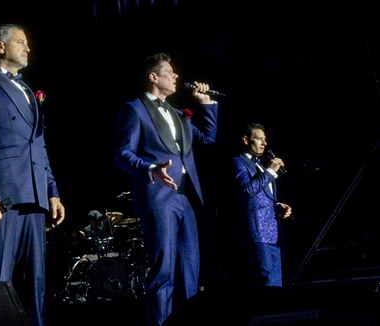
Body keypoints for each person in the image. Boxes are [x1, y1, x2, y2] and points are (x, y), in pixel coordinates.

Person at [0, 23, 65, 326]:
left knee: (36, 284)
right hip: (3, 198)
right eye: (21, 42)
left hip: (35, 197)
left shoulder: (29, 91)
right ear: (0, 46)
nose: (27, 48)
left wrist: (52, 191)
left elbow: (39, 145)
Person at [114, 52, 218, 326]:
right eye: (169, 72)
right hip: (159, 197)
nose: (176, 76)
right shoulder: (135, 109)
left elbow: (208, 139)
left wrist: (206, 103)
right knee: (164, 273)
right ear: (153, 77)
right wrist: (151, 169)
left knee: (190, 272)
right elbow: (122, 154)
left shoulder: (179, 114)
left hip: (187, 198)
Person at [230, 123, 293, 287]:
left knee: (277, 284)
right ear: (246, 140)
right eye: (259, 139)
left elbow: (262, 197)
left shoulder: (261, 166)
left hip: (273, 232)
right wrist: (270, 172)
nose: (264, 143)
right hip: (257, 232)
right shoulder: (238, 162)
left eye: (265, 140)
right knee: (266, 282)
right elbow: (247, 190)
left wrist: (277, 205)